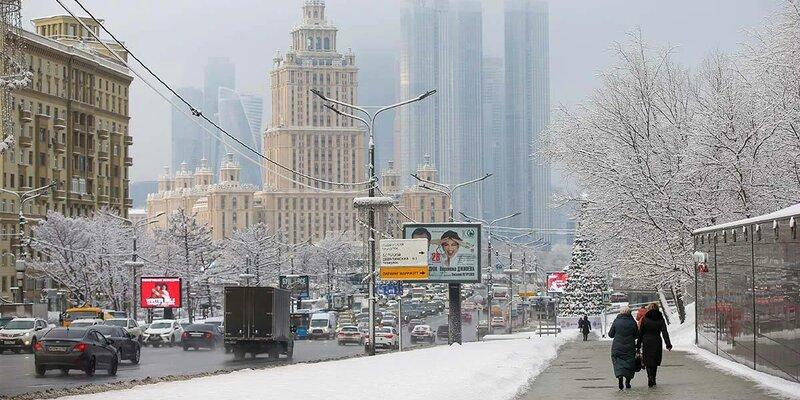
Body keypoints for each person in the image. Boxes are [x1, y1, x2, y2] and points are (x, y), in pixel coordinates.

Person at [638, 302, 672, 387]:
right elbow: (664, 332)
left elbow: (641, 333)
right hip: (657, 341)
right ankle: (654, 377)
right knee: (655, 361)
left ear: (648, 309)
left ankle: (649, 377)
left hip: (646, 341)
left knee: (647, 361)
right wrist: (668, 344)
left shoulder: (645, 318)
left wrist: (638, 344)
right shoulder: (661, 319)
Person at [608, 306, 638, 390]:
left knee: (617, 362)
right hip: (630, 347)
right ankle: (628, 382)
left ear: (620, 313)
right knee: (630, 363)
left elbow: (611, 334)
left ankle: (620, 377)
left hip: (617, 347)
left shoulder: (616, 322)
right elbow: (637, 335)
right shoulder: (633, 322)